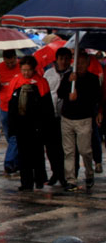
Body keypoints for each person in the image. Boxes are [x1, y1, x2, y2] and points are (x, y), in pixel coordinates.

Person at [6, 56, 54, 191]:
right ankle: (26, 182)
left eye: (28, 70)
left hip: (37, 125)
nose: (26, 73)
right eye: (23, 70)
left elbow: (48, 107)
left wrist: (46, 126)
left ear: (34, 69)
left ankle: (39, 179)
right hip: (21, 124)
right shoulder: (16, 81)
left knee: (38, 153)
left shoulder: (41, 82)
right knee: (23, 154)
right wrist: (12, 126)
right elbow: (11, 106)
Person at [58, 51, 100, 191]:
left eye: (83, 63)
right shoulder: (68, 76)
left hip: (84, 119)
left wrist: (78, 96)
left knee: (84, 150)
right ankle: (71, 179)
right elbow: (60, 93)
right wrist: (69, 83)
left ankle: (89, 173)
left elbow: (95, 98)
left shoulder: (93, 79)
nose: (80, 66)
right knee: (69, 151)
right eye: (78, 63)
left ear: (87, 64)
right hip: (67, 118)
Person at [39, 47, 70, 187]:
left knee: (67, 147)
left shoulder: (72, 74)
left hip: (66, 115)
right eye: (61, 58)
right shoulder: (49, 73)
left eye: (66, 59)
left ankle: (66, 175)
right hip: (50, 114)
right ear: (56, 60)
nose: (63, 62)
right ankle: (55, 172)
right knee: (51, 147)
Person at [0, 49, 21, 173]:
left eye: (12, 62)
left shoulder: (21, 66)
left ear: (15, 58)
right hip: (4, 107)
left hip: (18, 107)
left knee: (14, 136)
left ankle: (9, 162)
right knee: (9, 136)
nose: (10, 65)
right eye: (7, 63)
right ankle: (16, 160)